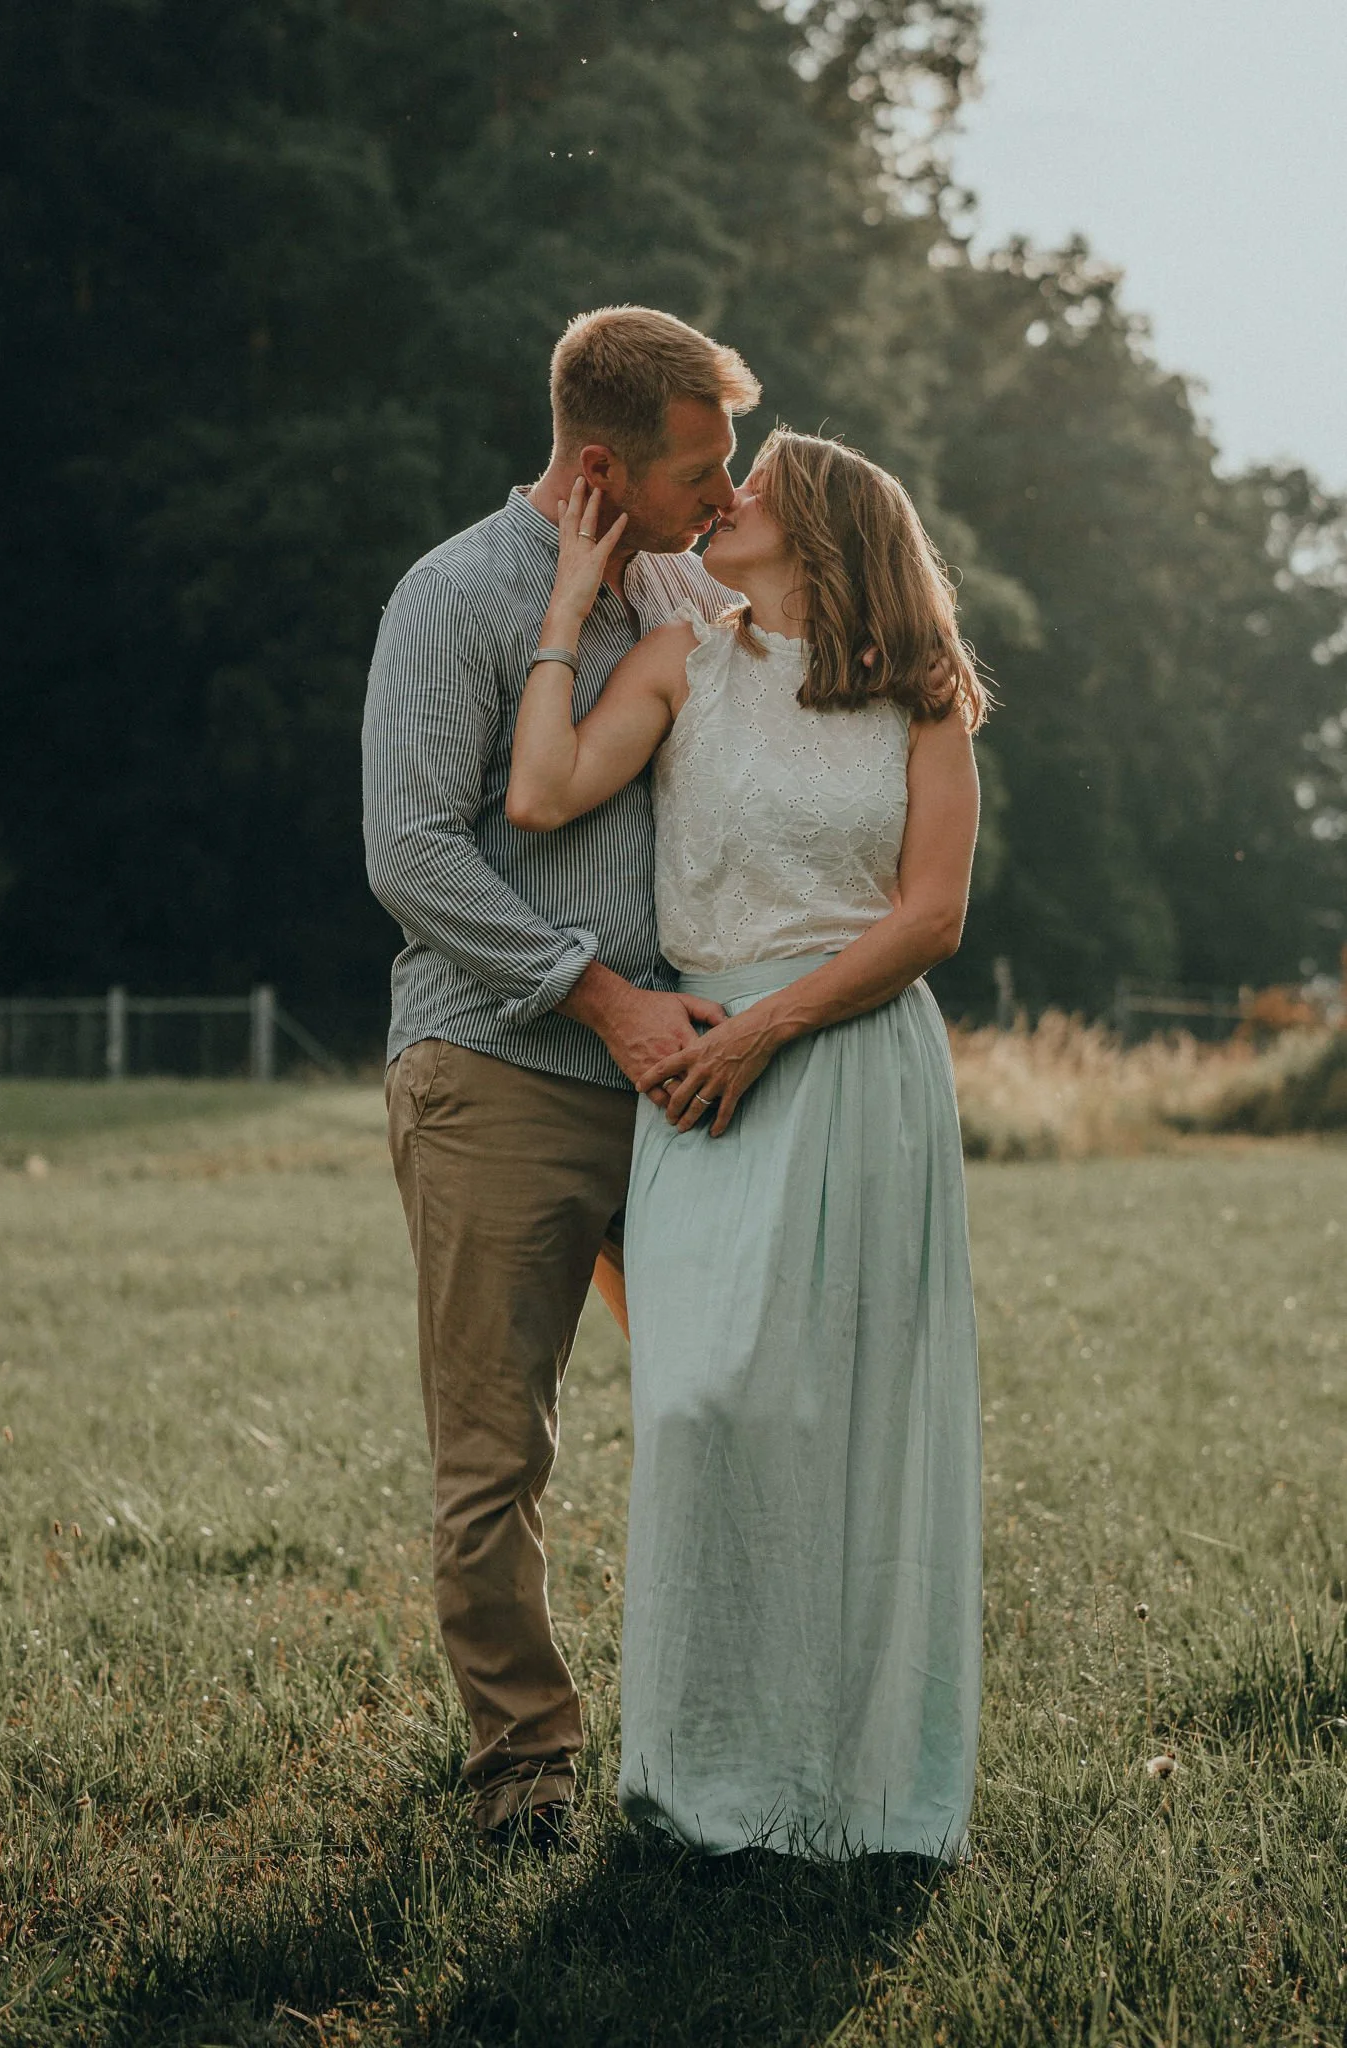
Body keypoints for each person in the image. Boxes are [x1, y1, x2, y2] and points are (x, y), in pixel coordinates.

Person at [506, 430, 986, 1861]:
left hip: (854, 1063)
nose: (727, 499)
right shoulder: (681, 662)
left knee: (848, 1419)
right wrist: (566, 607)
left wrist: (771, 1031)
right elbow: (539, 793)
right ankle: (701, 1774)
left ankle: (854, 1784)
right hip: (701, 1073)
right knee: (701, 1401)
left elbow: (931, 916)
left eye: (758, 486)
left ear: (827, 530)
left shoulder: (922, 697)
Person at [362, 306, 760, 1848]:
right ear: (602, 466)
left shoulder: (673, 584)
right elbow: (411, 854)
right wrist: (602, 1002)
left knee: (732, 1403)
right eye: (697, 471)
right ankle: (525, 1770)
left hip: (680, 1082)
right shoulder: (455, 596)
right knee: (497, 1450)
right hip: (502, 1073)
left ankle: (727, 1726)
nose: (724, 496)